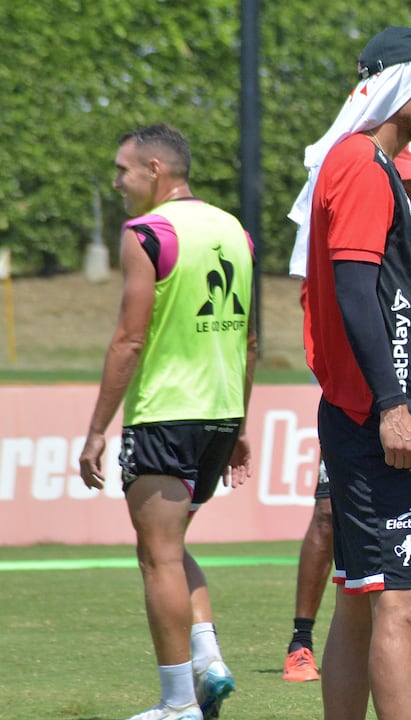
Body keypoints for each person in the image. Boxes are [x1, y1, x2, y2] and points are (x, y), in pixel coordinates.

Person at [288, 25, 411, 720]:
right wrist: (393, 405)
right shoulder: (363, 166)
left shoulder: (357, 162)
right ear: (399, 83)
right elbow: (355, 290)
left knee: (363, 598)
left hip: (365, 413)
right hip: (378, 419)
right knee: (404, 603)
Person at [78, 123, 256, 720]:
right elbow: (250, 342)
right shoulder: (236, 230)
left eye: (123, 169)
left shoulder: (146, 233)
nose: (117, 181)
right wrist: (242, 424)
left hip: (164, 415)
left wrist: (97, 428)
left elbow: (129, 339)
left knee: (156, 556)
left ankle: (178, 703)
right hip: (220, 414)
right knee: (172, 548)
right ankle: (208, 663)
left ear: (155, 170)